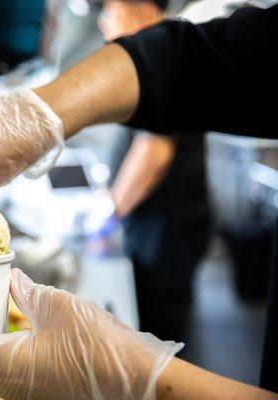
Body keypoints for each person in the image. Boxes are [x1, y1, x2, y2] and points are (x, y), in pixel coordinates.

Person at [0, 4, 278, 400]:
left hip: (171, 225)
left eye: (111, 10)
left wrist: (140, 380)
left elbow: (161, 137)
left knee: (167, 319)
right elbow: (195, 59)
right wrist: (39, 112)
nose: (103, 21)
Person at [99, 0, 210, 341]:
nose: (104, 26)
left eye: (112, 13)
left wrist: (108, 214)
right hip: (161, 225)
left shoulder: (166, 59)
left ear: (145, 11)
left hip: (166, 230)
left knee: (159, 339)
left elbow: (155, 151)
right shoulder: (156, 60)